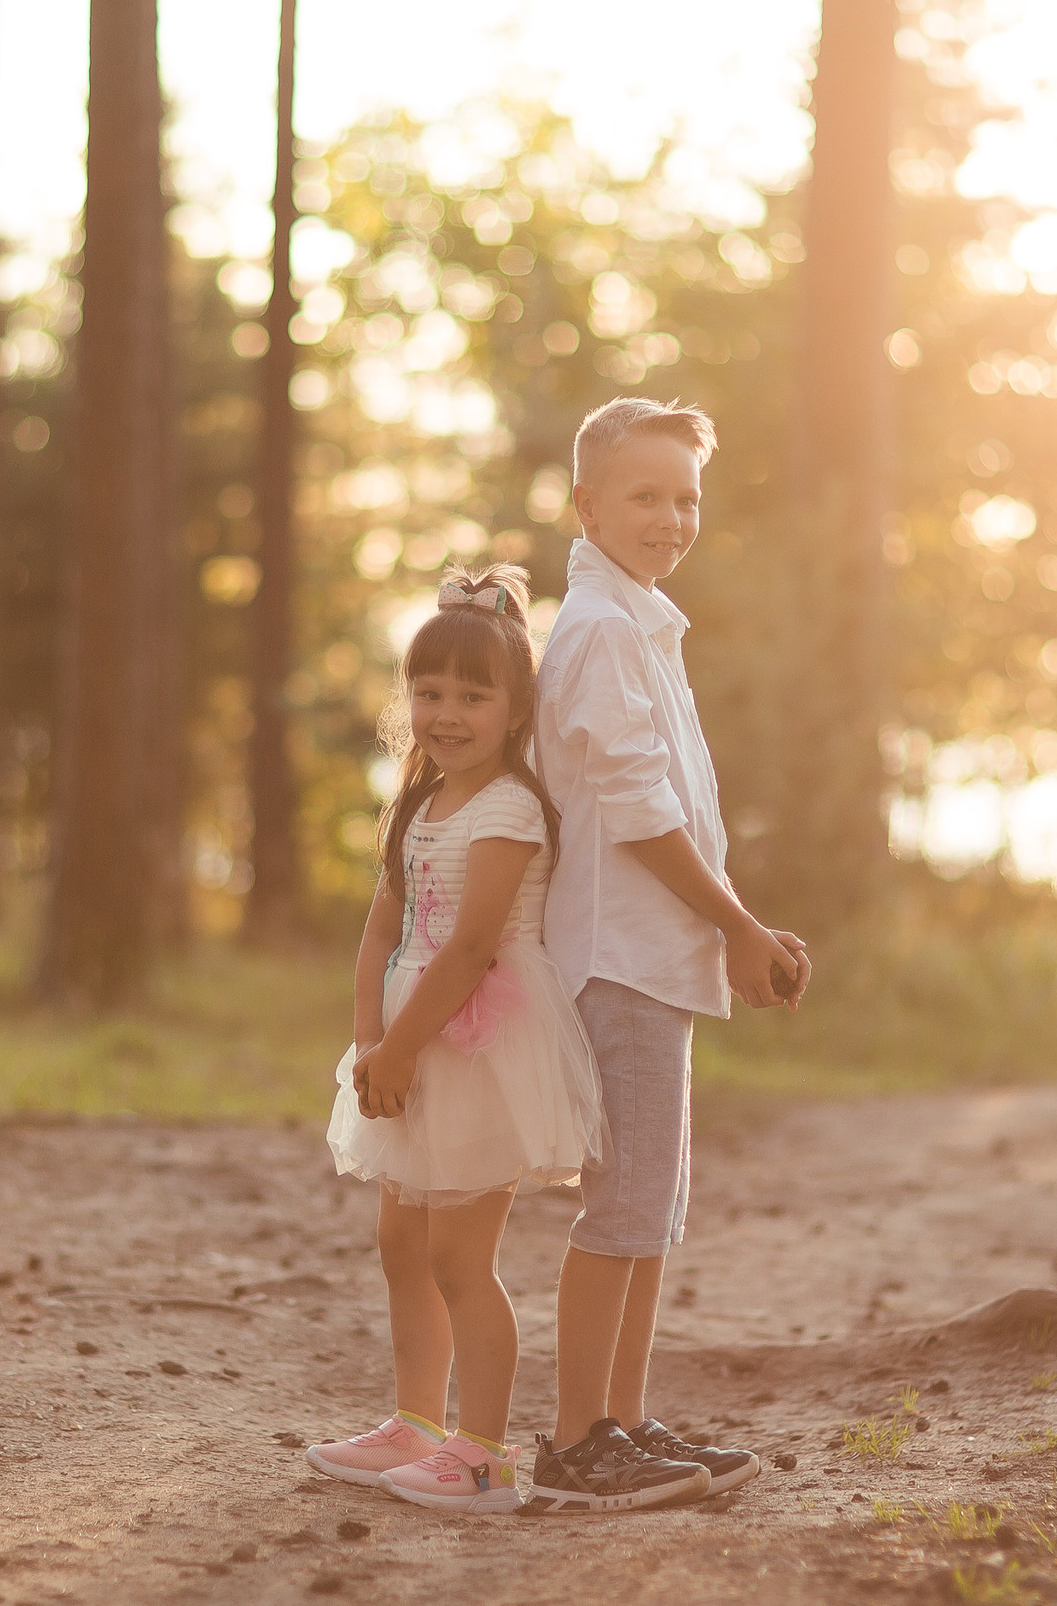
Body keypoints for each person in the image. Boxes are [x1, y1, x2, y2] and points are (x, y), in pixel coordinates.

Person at [518, 397, 812, 1516]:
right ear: (586, 506)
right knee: (624, 1207)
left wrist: (733, 925)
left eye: (685, 497)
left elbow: (666, 800)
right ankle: (574, 1442)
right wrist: (735, 924)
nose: (669, 516)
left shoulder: (640, 620)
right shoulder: (597, 630)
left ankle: (622, 1421)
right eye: (644, 495)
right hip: (621, 956)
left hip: (659, 956)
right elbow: (639, 813)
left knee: (651, 1206)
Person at [306, 564, 609, 1514]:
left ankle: (484, 1452)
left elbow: (475, 944)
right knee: (401, 1240)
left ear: (516, 710)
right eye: (429, 691)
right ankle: (415, 1420)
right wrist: (370, 1046)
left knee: (456, 1257)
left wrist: (402, 1049)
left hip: (478, 1046)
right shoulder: (416, 805)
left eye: (473, 695)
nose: (446, 711)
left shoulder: (510, 807)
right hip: (406, 1044)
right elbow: (379, 932)